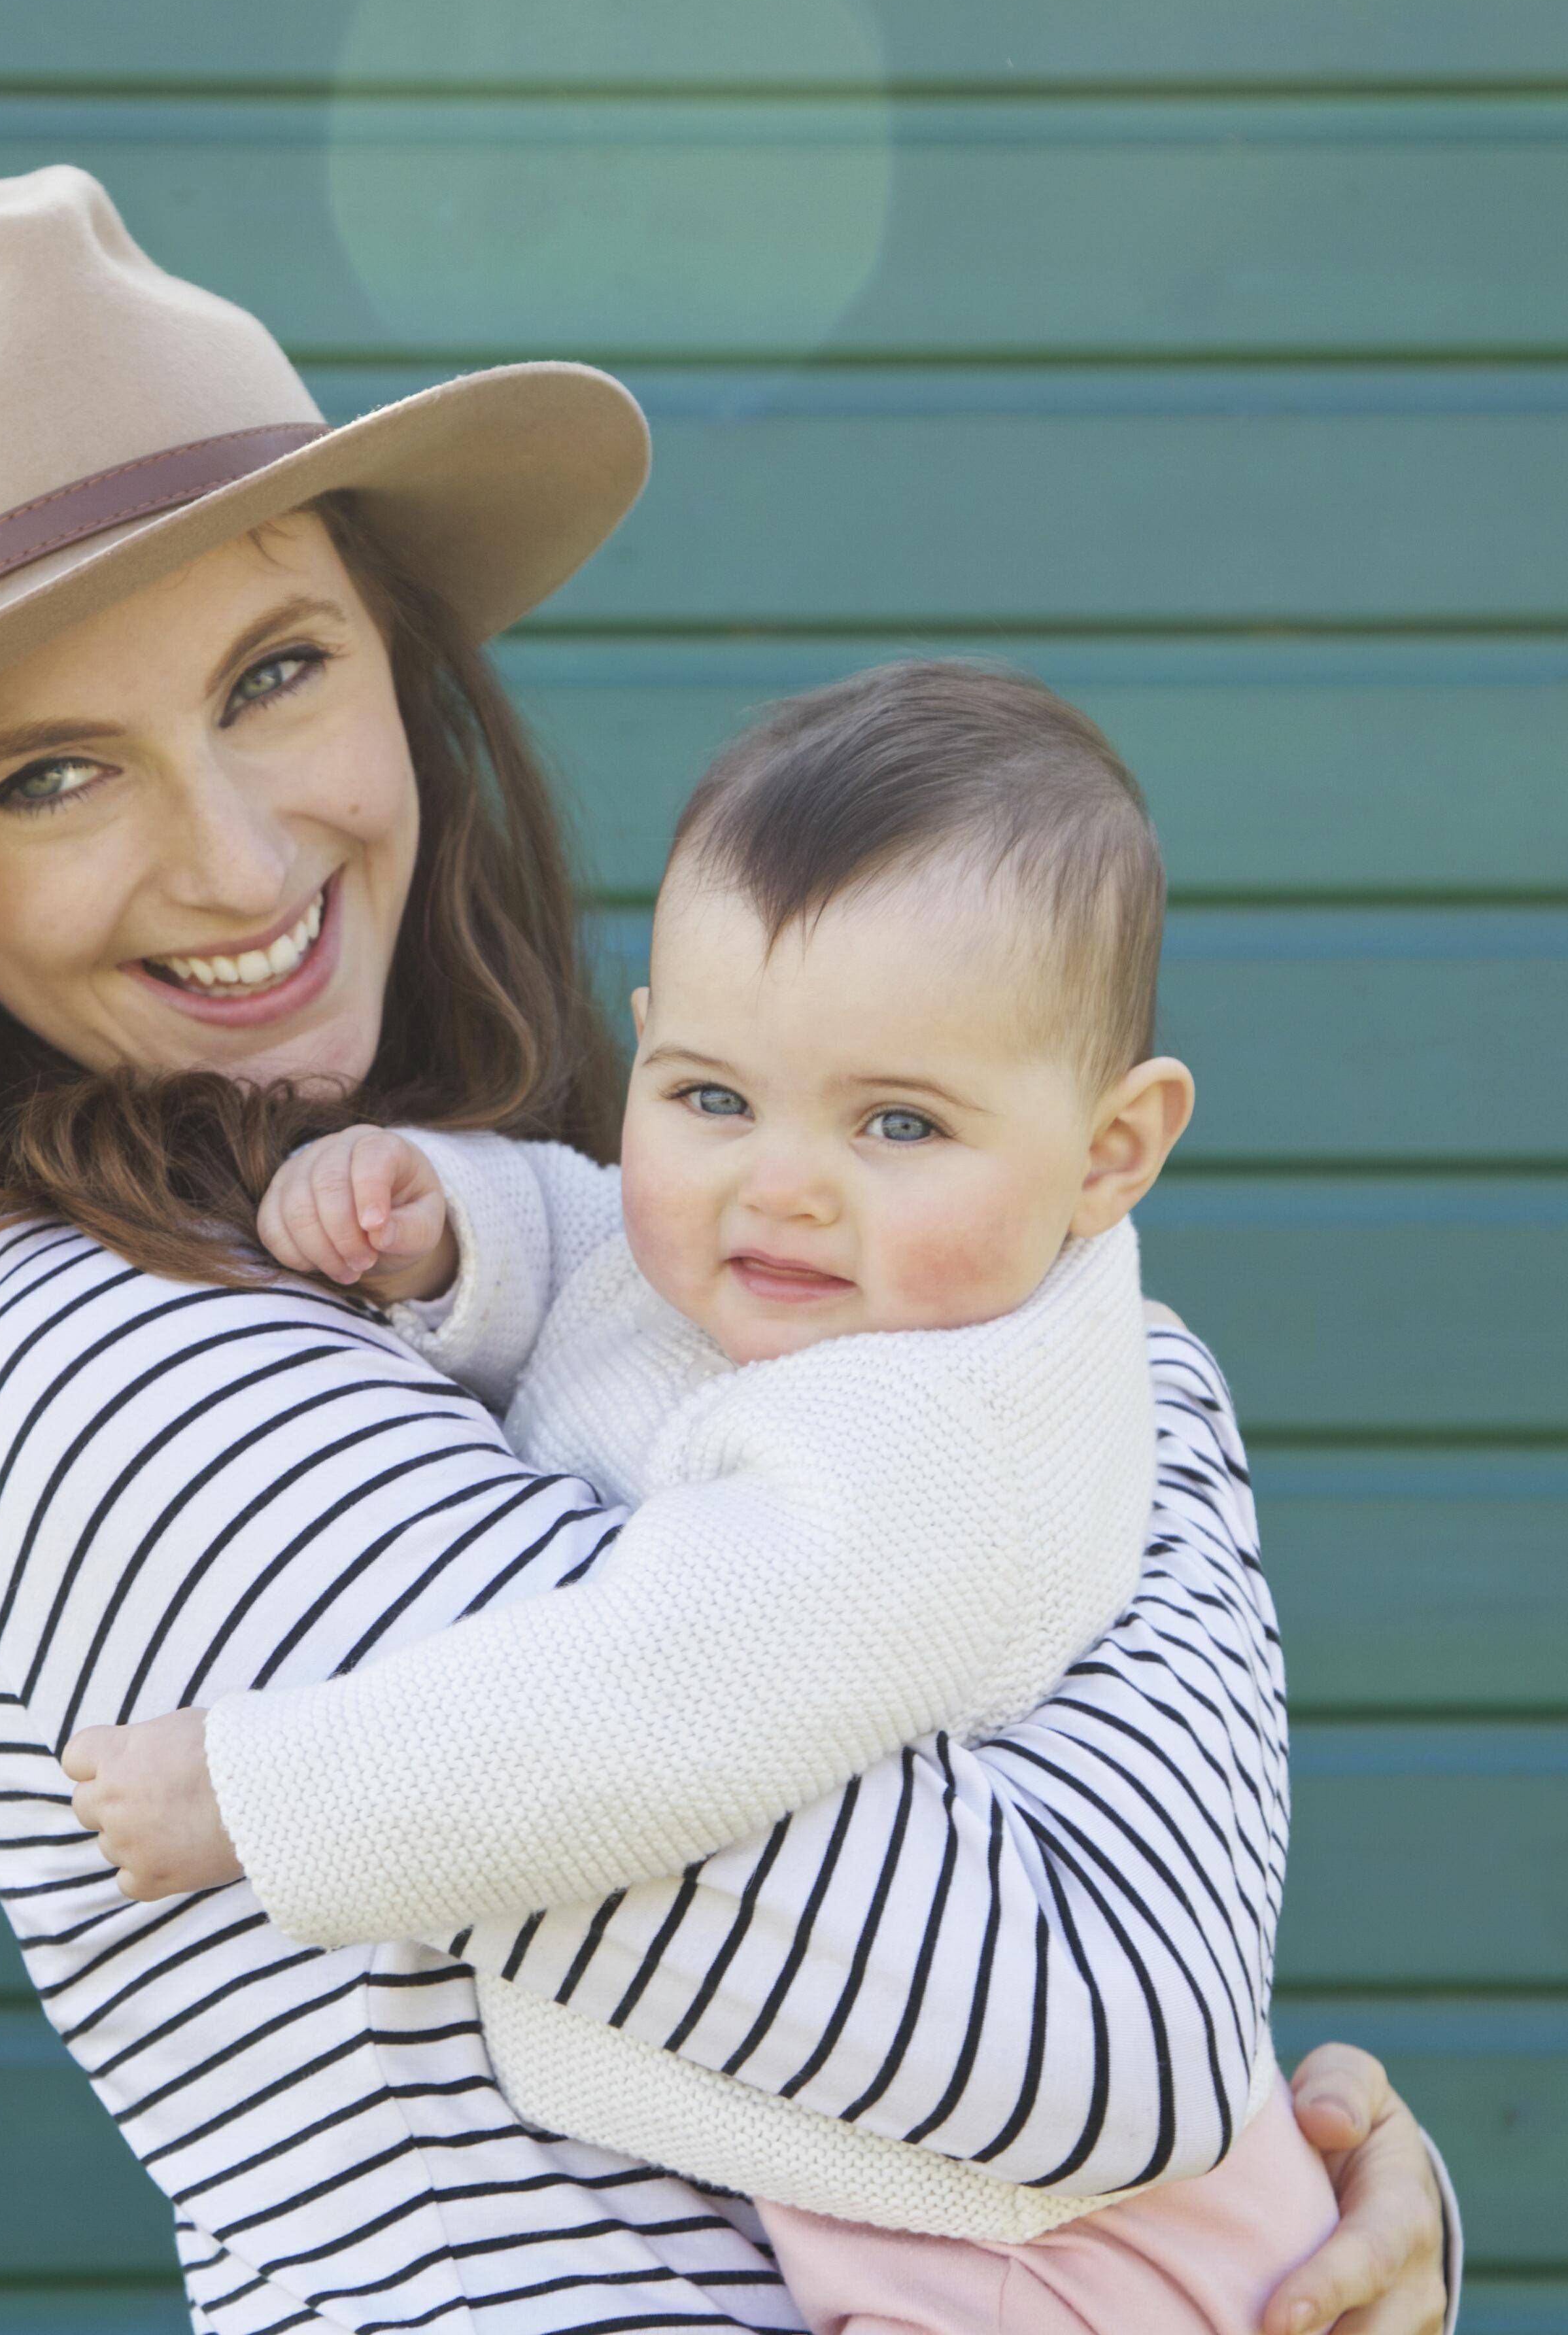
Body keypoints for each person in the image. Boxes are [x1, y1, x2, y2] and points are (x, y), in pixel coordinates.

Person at [0, 166, 1458, 2335]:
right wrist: (1238, 2173)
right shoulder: (105, 1362)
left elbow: (1073, 1897)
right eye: (52, 777)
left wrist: (1303, 2236)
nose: (240, 854)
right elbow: (1074, 2046)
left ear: (399, 659)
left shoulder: (575, 1244)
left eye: (274, 672)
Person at [71, 658, 1342, 2335]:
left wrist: (264, 1794)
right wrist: (452, 1219)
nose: (782, 1190)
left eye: (900, 1122)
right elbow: (611, 1237)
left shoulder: (941, 1433)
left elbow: (658, 1695)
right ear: (647, 1053)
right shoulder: (809, 1276)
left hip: (1055, 2257)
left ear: (1113, 1152)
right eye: (713, 1100)